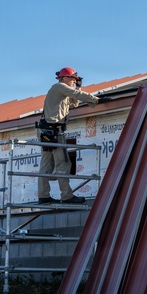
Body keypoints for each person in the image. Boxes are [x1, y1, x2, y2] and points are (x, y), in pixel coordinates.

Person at [36, 67, 105, 203]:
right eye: (73, 79)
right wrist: (96, 100)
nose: (74, 82)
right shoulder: (60, 87)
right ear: (65, 78)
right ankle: (66, 196)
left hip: (47, 130)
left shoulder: (61, 91)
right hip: (54, 131)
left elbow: (75, 102)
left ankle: (43, 196)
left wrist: (78, 87)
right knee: (63, 164)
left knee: (46, 165)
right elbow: (77, 95)